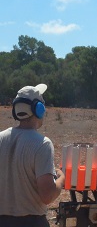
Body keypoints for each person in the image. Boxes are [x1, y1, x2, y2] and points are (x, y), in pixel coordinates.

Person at [0, 84, 65, 227]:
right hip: (31, 222)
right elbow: (47, 196)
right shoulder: (42, 144)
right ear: (39, 109)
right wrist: (61, 179)